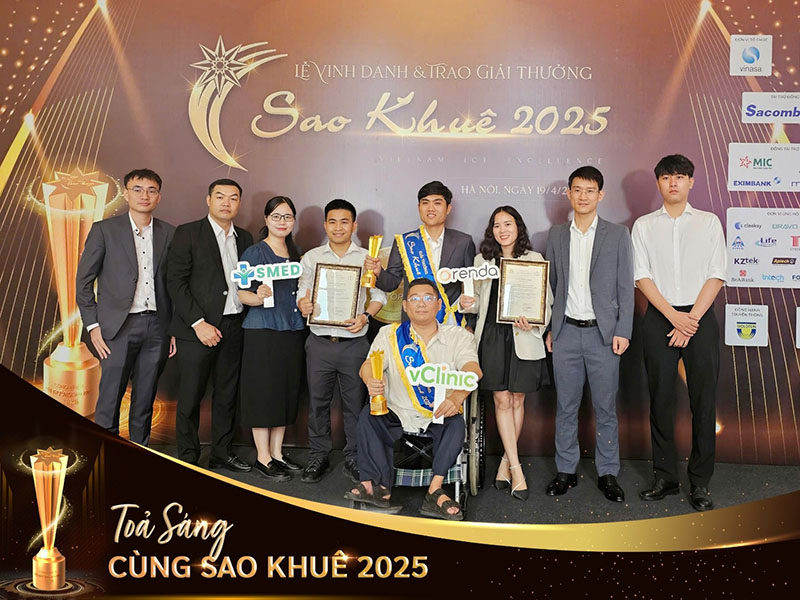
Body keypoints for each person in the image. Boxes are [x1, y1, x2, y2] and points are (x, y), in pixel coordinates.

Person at [632, 154, 726, 511]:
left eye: (680, 176)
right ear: (658, 183)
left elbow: (716, 274)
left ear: (691, 182)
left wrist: (691, 320)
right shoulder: (643, 226)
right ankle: (665, 477)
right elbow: (641, 277)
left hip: (699, 318)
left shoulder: (708, 222)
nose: (673, 182)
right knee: (660, 400)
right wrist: (673, 316)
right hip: (660, 317)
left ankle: (700, 482)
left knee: (703, 402)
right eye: (667, 177)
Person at [346, 278, 481, 520]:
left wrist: (457, 397)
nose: (421, 304)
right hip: (396, 411)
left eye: (428, 298)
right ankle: (377, 488)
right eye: (415, 299)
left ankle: (435, 491)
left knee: (456, 424)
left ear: (438, 304)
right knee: (369, 416)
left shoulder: (459, 336)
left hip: (439, 412)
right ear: (406, 306)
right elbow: (368, 365)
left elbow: (473, 369)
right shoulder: (390, 334)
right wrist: (370, 379)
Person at [544, 166, 634, 502]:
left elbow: (626, 286)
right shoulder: (556, 235)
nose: (583, 196)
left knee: (605, 408)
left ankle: (608, 473)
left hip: (603, 335)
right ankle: (565, 470)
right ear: (569, 193)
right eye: (577, 190)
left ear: (601, 195)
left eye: (590, 190)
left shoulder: (617, 234)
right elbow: (552, 286)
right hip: (566, 332)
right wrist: (551, 328)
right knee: (565, 406)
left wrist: (623, 330)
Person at [76, 168, 176, 445]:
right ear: (125, 193)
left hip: (157, 327)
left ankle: (140, 452)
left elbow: (175, 285)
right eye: (138, 189)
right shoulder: (104, 230)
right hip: (117, 328)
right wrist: (93, 326)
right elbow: (83, 283)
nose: (145, 195)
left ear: (159, 196)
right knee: (110, 397)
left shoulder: (170, 233)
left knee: (145, 398)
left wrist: (173, 330)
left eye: (151, 190)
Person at [459, 206, 552, 501]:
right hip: (492, 337)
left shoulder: (534, 259)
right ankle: (516, 468)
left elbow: (546, 303)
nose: (503, 230)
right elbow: (475, 304)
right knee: (501, 400)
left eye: (508, 224)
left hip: (522, 336)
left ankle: (504, 463)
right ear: (492, 231)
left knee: (517, 400)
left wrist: (535, 321)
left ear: (518, 227)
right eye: (497, 225)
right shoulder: (482, 261)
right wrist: (466, 302)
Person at [297, 199, 387, 484]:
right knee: (317, 403)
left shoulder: (367, 259)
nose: (338, 227)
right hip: (319, 342)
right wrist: (303, 304)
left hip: (354, 343)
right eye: (332, 222)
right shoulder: (311, 258)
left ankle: (354, 457)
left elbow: (380, 296)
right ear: (325, 225)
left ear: (354, 225)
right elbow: (302, 291)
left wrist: (365, 316)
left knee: (355, 404)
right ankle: (318, 456)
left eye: (344, 221)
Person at [166, 178, 253, 471]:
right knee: (190, 396)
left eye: (233, 198)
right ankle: (188, 458)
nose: (226, 203)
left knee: (227, 395)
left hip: (235, 326)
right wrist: (198, 323)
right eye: (220, 196)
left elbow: (247, 281)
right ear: (208, 200)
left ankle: (222, 453)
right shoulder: (188, 232)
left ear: (239, 203)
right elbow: (175, 282)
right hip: (197, 329)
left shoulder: (245, 238)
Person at [238, 196, 306, 481]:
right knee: (263, 393)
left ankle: (277, 453)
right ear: (266, 219)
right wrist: (258, 297)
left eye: (287, 217)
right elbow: (241, 292)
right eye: (276, 216)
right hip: (262, 330)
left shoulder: (297, 254)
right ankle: (263, 457)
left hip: (292, 330)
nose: (282, 222)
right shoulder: (255, 253)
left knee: (285, 392)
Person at [363, 181, 475, 325]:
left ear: (448, 208)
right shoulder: (405, 242)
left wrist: (470, 325)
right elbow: (391, 284)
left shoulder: (463, 242)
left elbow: (471, 286)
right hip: (414, 321)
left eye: (437, 203)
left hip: (451, 322)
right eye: (425, 203)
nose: (431, 208)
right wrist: (379, 272)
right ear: (419, 207)